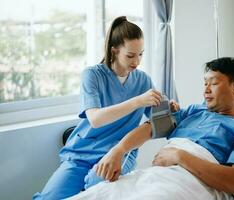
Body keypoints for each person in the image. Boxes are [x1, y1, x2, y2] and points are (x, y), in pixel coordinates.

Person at [91, 57, 234, 198]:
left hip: (191, 184)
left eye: (213, 83)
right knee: (98, 193)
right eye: (204, 83)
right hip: (155, 175)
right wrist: (118, 150)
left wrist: (179, 156)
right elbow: (151, 128)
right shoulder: (193, 111)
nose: (206, 90)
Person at [33, 16, 162, 200]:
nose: (137, 61)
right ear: (114, 51)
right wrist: (137, 101)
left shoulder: (143, 80)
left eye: (141, 54)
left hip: (118, 153)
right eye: (130, 55)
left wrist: (168, 107)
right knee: (49, 197)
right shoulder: (92, 75)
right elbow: (95, 118)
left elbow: (158, 119)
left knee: (97, 188)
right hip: (81, 153)